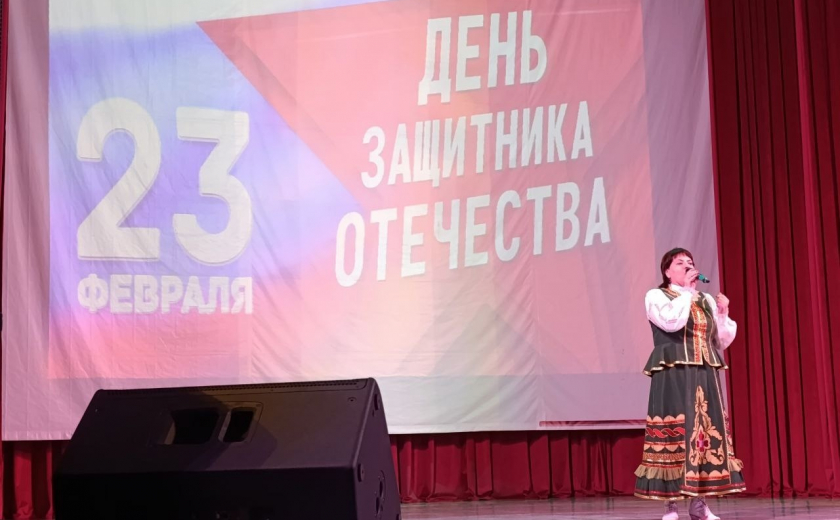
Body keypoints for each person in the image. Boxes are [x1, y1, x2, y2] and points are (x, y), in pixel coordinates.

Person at [634, 248, 745, 520]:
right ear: (667, 271)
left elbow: (721, 340)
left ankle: (699, 504)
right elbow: (671, 322)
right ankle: (670, 505)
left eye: (690, 262)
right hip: (674, 372)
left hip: (704, 372)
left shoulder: (703, 299)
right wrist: (685, 292)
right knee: (676, 434)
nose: (687, 266)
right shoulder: (657, 295)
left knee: (703, 435)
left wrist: (722, 313)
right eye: (680, 263)